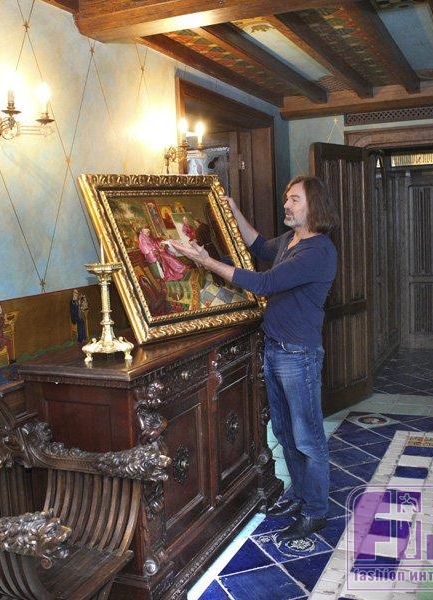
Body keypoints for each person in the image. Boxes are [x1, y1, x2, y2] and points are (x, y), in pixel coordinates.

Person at [170, 176, 338, 542]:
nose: (286, 205)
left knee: (308, 437)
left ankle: (315, 511)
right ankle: (299, 496)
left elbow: (264, 283)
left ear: (314, 206)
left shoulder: (318, 251)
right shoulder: (291, 240)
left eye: (294, 200)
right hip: (276, 348)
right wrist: (232, 210)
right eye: (286, 198)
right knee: (285, 432)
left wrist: (205, 260)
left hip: (299, 355)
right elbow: (259, 245)